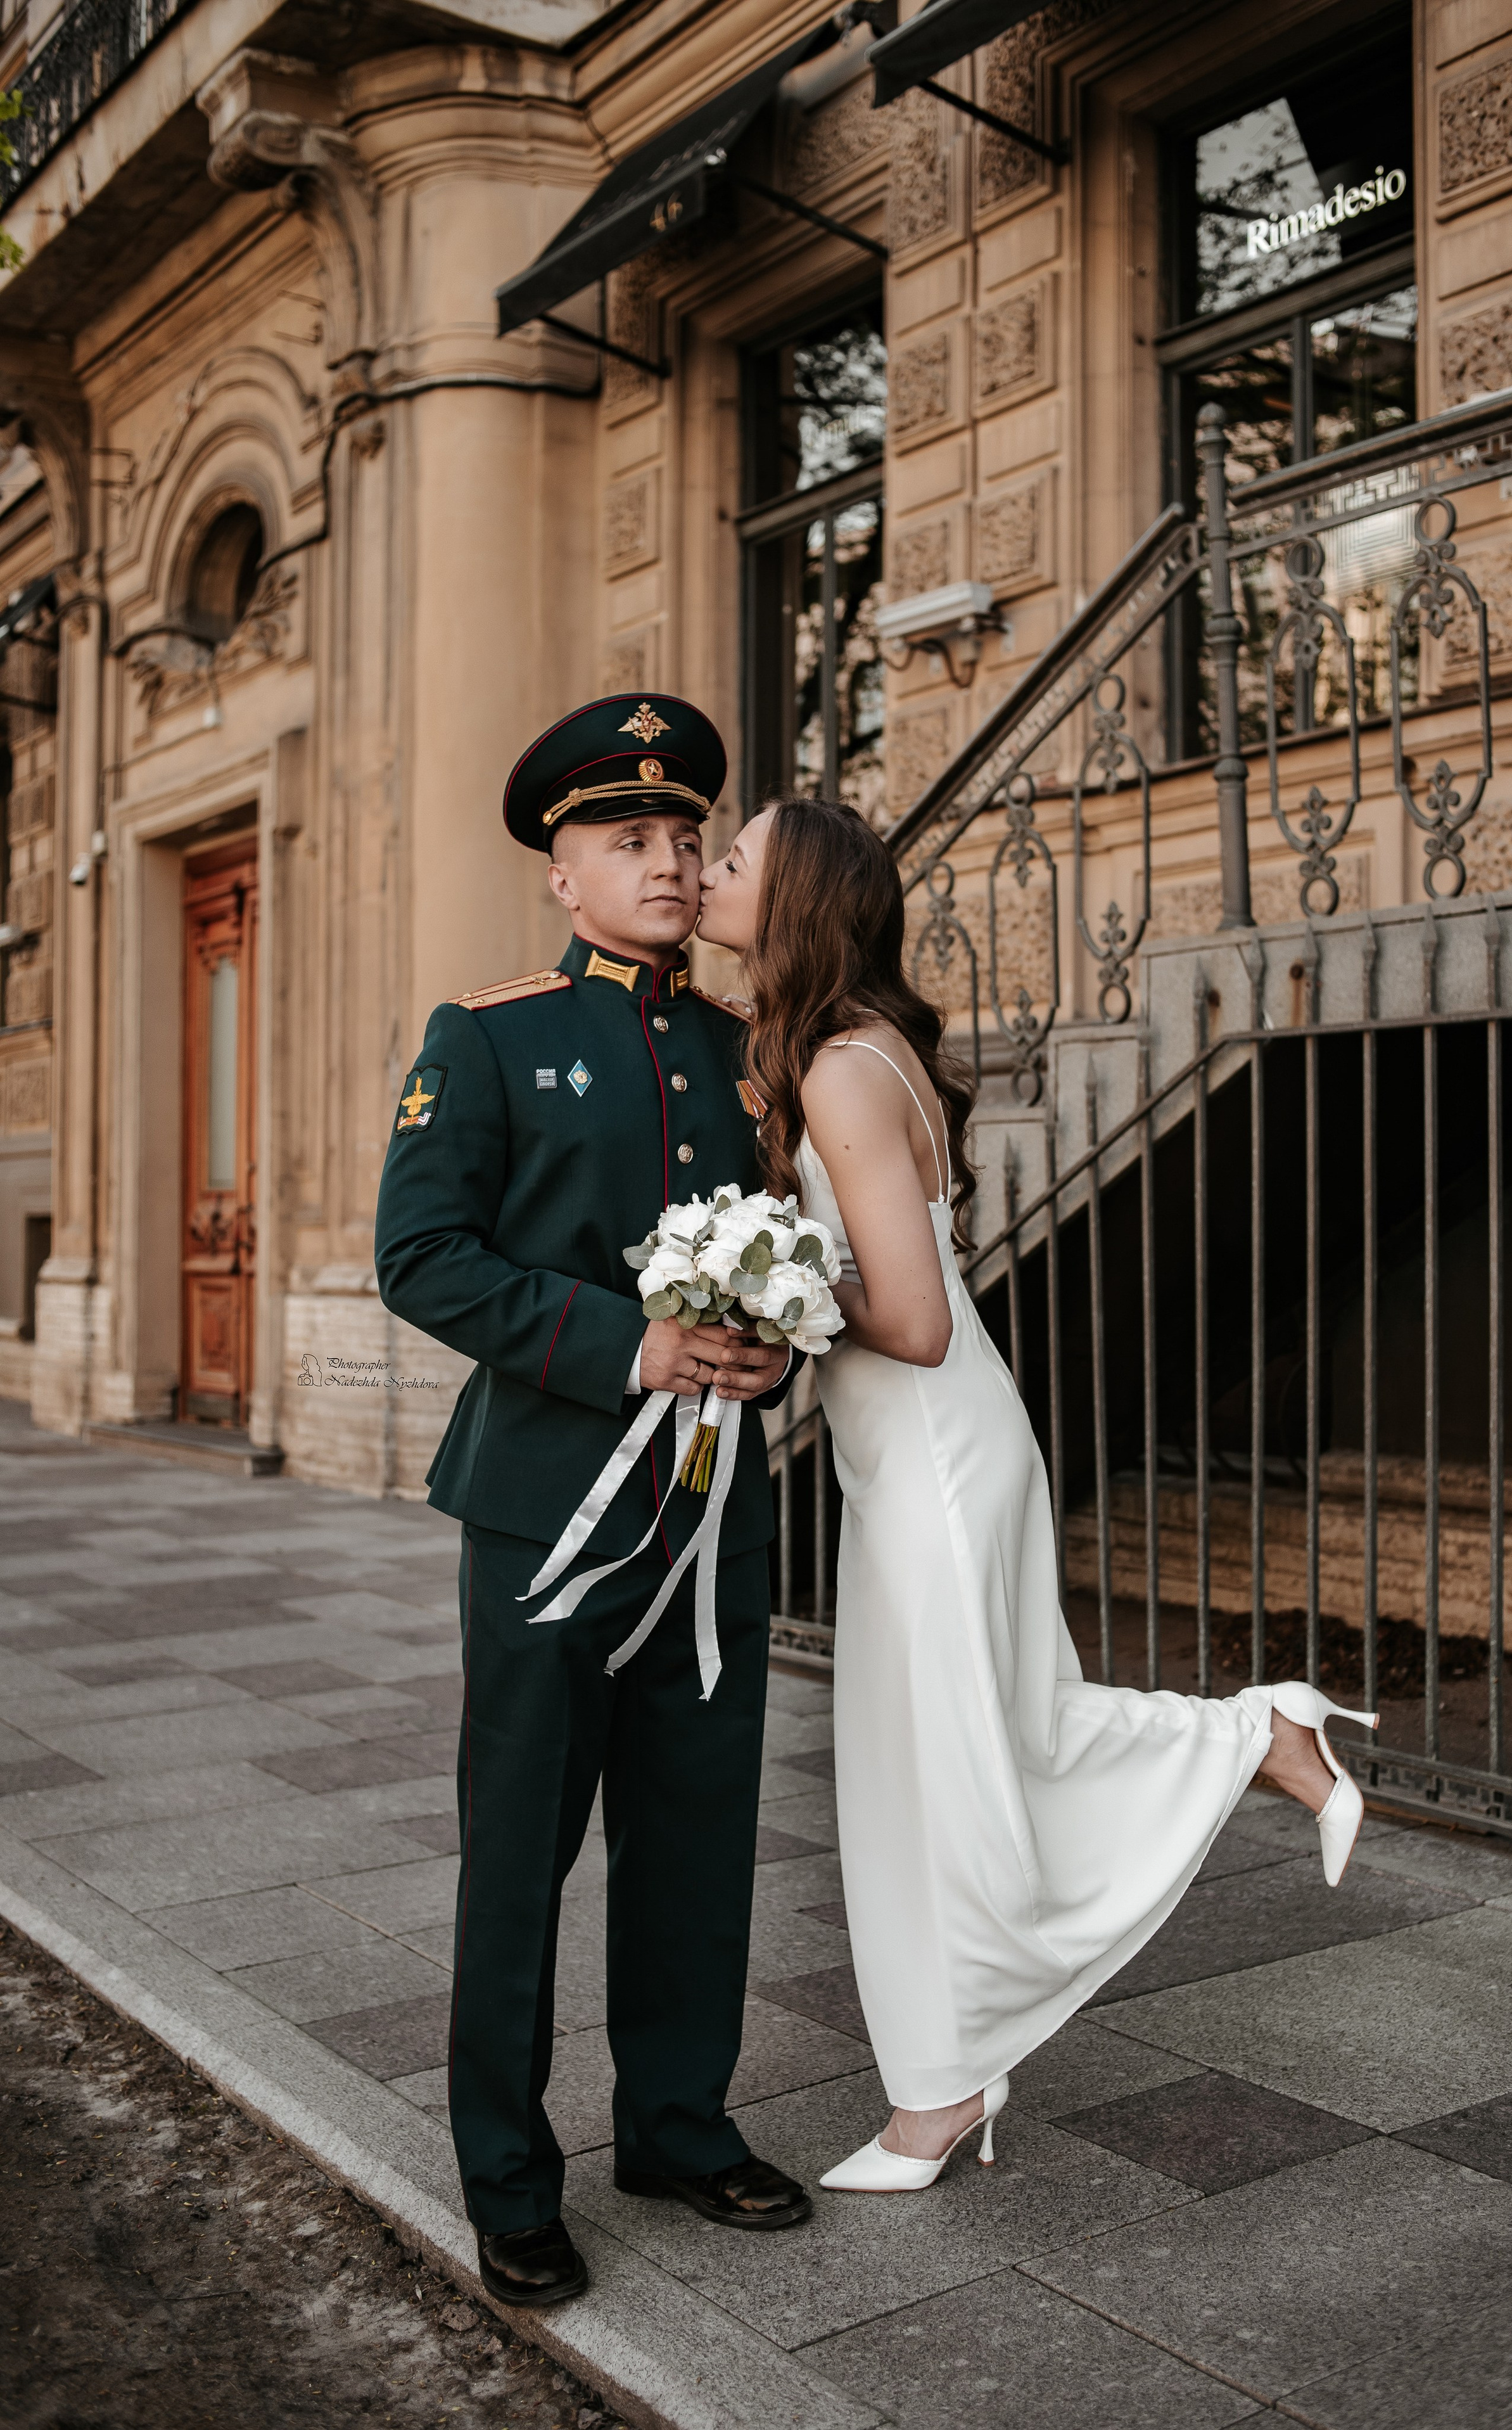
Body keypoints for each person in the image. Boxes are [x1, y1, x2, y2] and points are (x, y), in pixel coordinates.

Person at [696, 795, 1378, 2194]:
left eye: (730, 861)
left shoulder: (835, 1066)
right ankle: (1249, 1742)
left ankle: (940, 2092)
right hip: (934, 1453)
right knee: (972, 1749)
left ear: (794, 903)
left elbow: (915, 1317)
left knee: (943, 1770)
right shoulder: (851, 1050)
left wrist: (765, 1286)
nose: (701, 874)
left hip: (938, 1452)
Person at [374, 696, 811, 2311]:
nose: (670, 864)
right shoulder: (485, 1034)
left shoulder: (741, 1047)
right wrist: (627, 1345)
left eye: (688, 837)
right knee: (522, 1850)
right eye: (629, 840)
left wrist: (767, 1346)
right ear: (562, 873)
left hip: (713, 1514)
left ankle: (679, 2128)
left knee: (696, 1838)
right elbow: (419, 1257)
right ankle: (506, 2171)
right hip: (546, 1512)